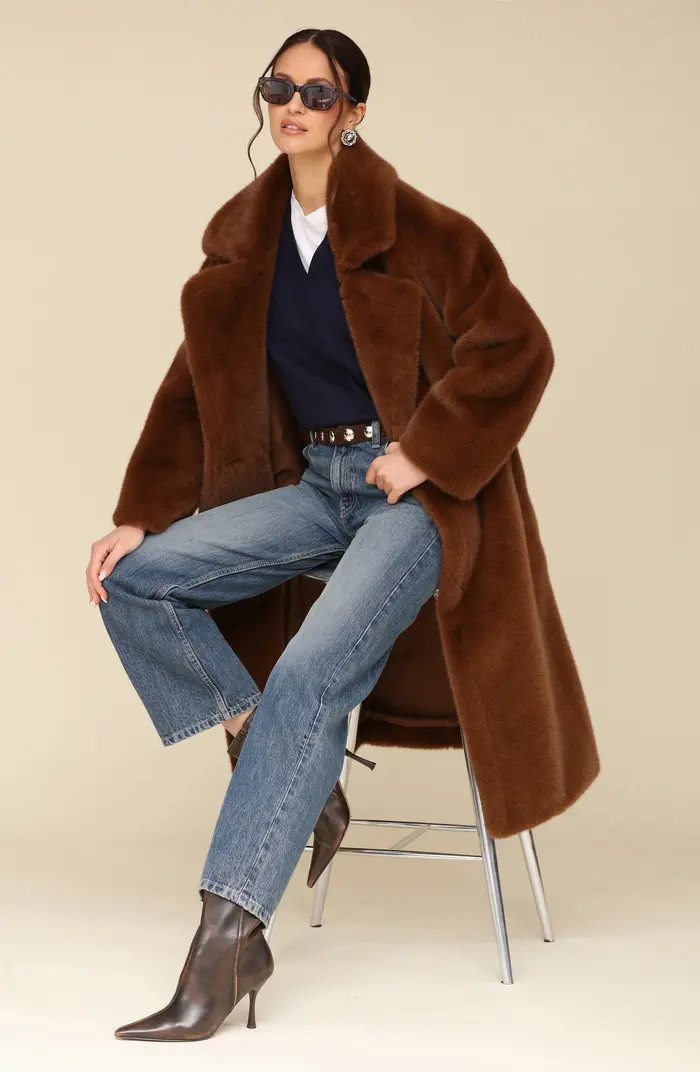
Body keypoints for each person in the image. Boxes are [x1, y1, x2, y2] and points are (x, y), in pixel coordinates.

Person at [87, 29, 445, 1042]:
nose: (293, 105)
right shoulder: (247, 247)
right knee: (135, 580)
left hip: (412, 506)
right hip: (317, 486)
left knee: (308, 675)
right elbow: (188, 390)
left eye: (317, 93)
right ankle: (282, 760)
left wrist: (428, 454)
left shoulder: (417, 231)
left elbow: (516, 350)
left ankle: (226, 943)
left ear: (354, 113)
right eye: (277, 87)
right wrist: (138, 513)